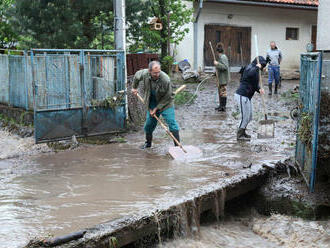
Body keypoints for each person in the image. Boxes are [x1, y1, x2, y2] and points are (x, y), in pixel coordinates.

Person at [131, 61, 180, 149]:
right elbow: (137, 76)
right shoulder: (144, 74)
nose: (157, 74)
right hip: (152, 102)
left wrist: (157, 108)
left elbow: (168, 96)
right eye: (155, 73)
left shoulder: (165, 79)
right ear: (149, 71)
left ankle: (177, 146)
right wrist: (134, 87)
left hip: (166, 102)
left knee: (172, 123)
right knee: (148, 125)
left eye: (158, 72)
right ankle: (148, 144)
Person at [235, 56, 266, 141]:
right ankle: (239, 135)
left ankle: (243, 132)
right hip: (242, 95)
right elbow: (250, 74)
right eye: (263, 66)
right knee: (245, 117)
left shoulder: (255, 70)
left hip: (247, 97)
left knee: (250, 116)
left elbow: (254, 84)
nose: (263, 68)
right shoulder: (250, 68)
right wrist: (257, 67)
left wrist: (259, 89)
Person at [214, 42, 230, 111]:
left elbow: (225, 67)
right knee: (221, 92)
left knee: (223, 92)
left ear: (218, 51)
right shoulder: (221, 57)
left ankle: (223, 106)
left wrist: (217, 64)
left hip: (223, 78)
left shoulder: (223, 57)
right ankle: (221, 105)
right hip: (220, 78)